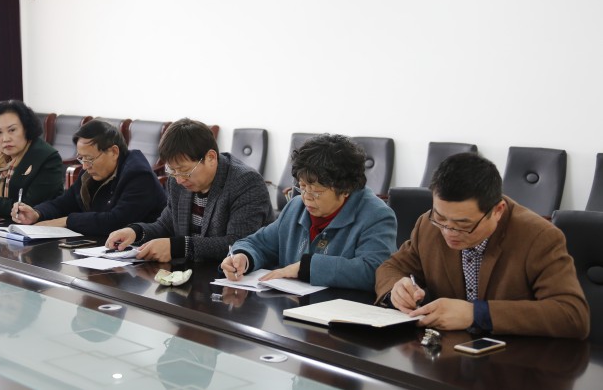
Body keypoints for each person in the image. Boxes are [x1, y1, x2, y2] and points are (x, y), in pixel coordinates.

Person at [375, 153, 590, 339]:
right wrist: (396, 289)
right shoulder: (428, 225)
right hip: (448, 354)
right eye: (440, 218)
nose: (448, 231)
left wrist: (475, 314)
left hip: (516, 359)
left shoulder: (539, 237)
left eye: (463, 224)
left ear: (497, 211)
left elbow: (572, 314)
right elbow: (391, 267)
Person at [220, 134, 397, 291]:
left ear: (345, 189)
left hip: (343, 311)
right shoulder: (296, 207)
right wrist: (244, 257)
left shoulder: (376, 216)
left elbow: (376, 271)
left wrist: (305, 268)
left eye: (316, 191)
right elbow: (259, 244)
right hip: (292, 308)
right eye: (302, 187)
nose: (306, 197)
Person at [106, 118, 275, 262]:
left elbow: (238, 243)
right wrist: (135, 232)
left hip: (235, 279)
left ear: (210, 158)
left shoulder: (245, 182)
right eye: (172, 170)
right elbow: (166, 225)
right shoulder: (177, 181)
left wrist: (178, 247)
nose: (179, 179)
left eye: (185, 171)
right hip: (191, 272)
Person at [10, 120, 166, 237]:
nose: (84, 166)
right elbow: (65, 202)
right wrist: (37, 213)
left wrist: (66, 221)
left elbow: (116, 222)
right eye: (81, 158)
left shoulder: (139, 175)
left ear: (114, 152)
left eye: (89, 159)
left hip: (142, 255)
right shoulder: (91, 173)